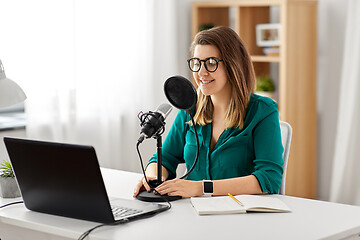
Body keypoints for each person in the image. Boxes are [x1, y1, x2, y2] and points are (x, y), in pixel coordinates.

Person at [133, 26, 283, 198]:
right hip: (193, 212)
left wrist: (201, 188)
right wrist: (152, 176)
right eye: (197, 63)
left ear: (233, 65)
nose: (201, 72)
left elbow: (269, 178)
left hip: (241, 215)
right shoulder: (190, 109)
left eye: (211, 63)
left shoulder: (263, 111)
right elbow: (165, 157)